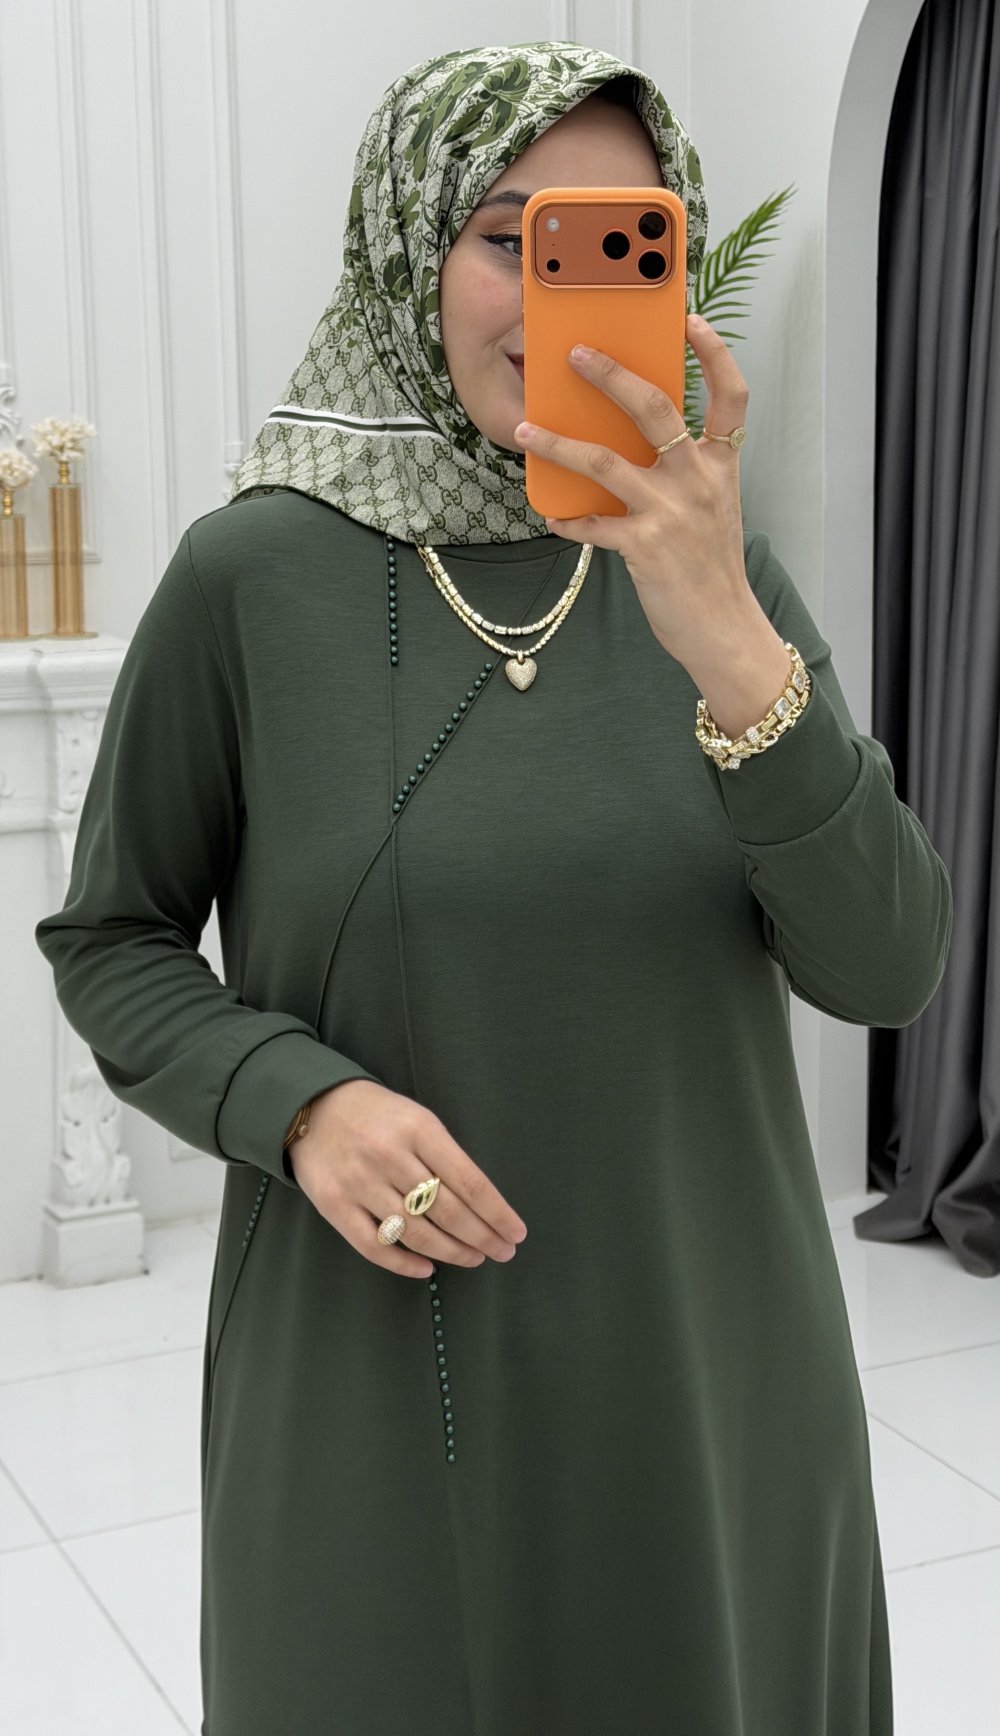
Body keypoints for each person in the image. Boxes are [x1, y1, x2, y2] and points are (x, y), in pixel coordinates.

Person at [34, 39, 952, 1736]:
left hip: (713, 1367)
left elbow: (888, 963)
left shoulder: (720, 571)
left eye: (615, 241)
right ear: (405, 247)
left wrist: (727, 639)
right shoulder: (252, 576)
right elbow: (114, 938)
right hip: (381, 1365)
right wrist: (298, 1103)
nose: (554, 292)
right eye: (504, 234)